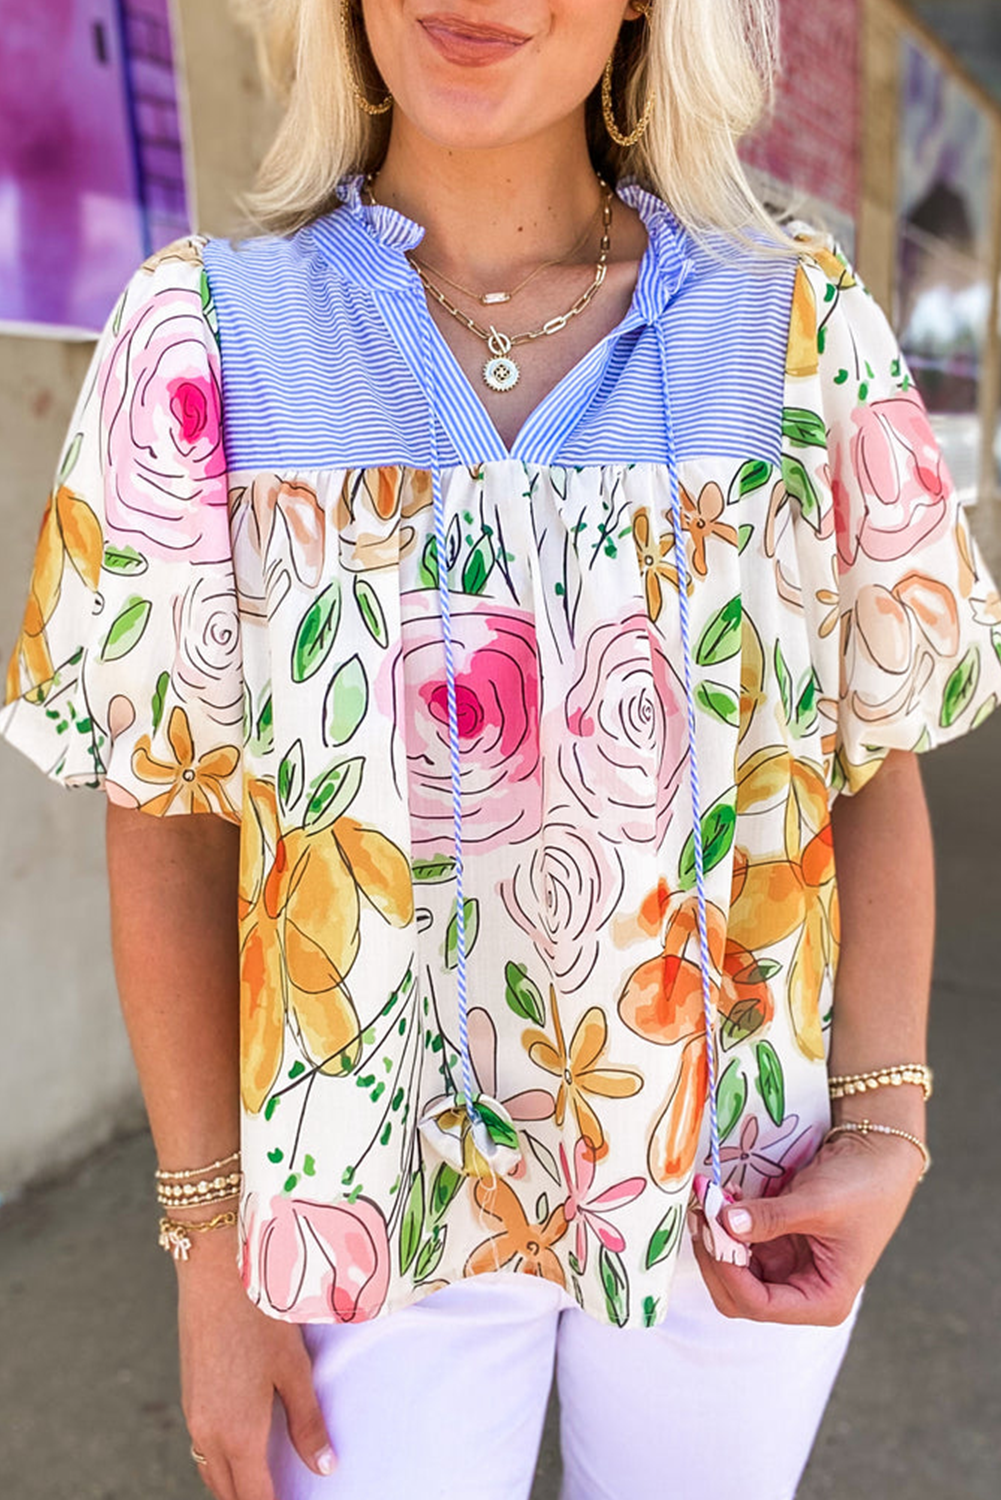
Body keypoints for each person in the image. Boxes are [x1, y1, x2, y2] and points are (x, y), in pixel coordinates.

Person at [2, 2, 999, 1497]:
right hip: (350, 1209)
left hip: (733, 1185)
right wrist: (211, 1247)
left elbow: (870, 758)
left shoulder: (800, 333)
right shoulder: (200, 336)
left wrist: (889, 1130)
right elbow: (165, 814)